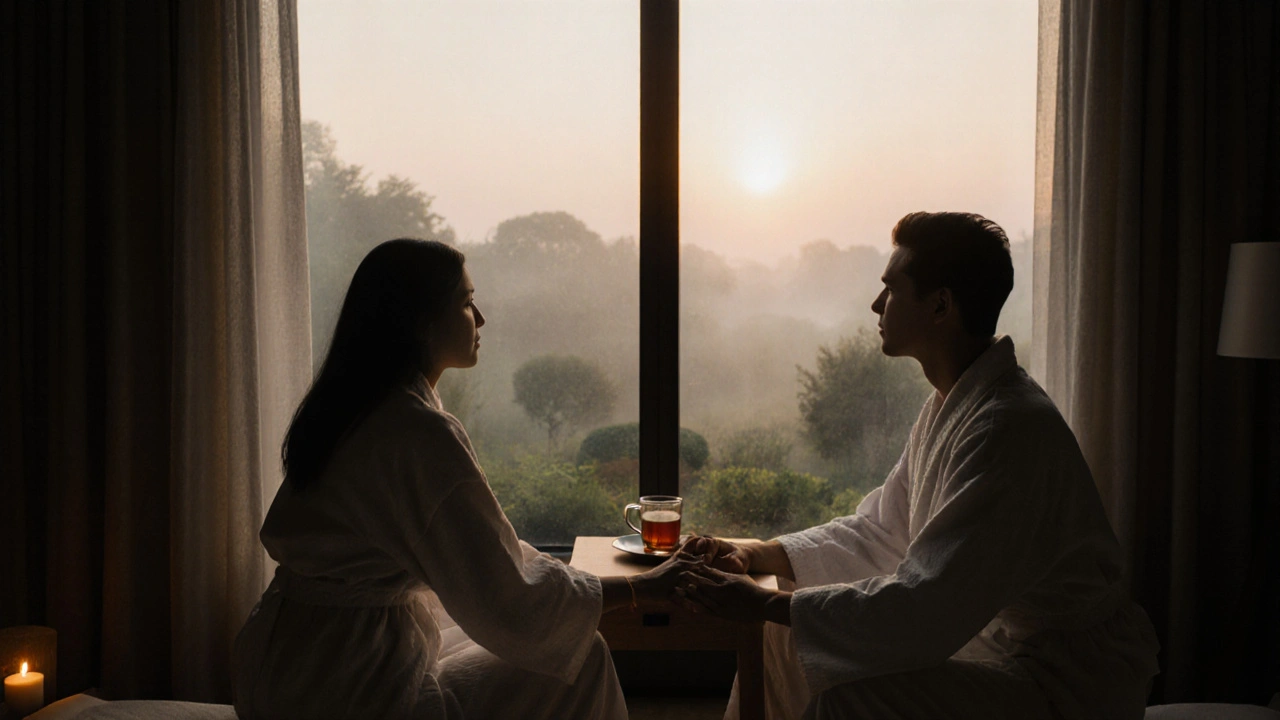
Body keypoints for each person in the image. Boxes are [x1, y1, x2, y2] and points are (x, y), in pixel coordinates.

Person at [678, 212, 1160, 720]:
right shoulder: (952, 407)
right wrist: (758, 553)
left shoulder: (1005, 428)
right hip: (991, 645)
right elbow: (883, 533)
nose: (875, 304)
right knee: (784, 631)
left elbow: (928, 604)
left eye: (891, 289)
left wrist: (759, 603)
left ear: (940, 306)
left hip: (1063, 683)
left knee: (847, 696)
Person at [233, 239, 694, 719]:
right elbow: (510, 598)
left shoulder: (348, 410)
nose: (481, 318)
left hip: (285, 660)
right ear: (421, 322)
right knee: (582, 661)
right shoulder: (415, 431)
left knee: (512, 639)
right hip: (349, 685)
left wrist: (584, 584)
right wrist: (644, 588)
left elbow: (489, 555)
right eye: (467, 302)